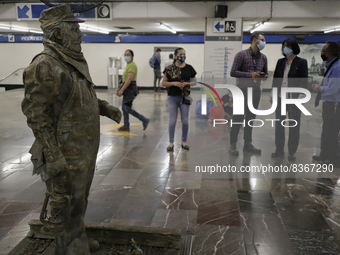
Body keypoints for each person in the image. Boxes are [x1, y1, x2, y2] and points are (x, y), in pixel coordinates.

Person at [21, 5, 122, 255]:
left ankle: (77, 237)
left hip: (82, 148)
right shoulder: (46, 65)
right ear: (57, 34)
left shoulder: (71, 62)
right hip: (65, 151)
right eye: (74, 29)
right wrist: (53, 155)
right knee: (66, 202)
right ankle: (70, 248)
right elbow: (36, 115)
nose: (80, 34)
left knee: (79, 200)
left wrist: (104, 107)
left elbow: (79, 98)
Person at [229, 33, 268, 156]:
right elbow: (233, 72)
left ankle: (248, 143)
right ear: (255, 40)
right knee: (238, 118)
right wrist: (250, 75)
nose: (264, 43)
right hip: (242, 90)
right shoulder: (241, 55)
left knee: (251, 118)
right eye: (262, 40)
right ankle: (233, 144)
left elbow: (266, 74)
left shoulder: (263, 58)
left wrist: (261, 76)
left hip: (256, 90)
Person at [270, 38, 308, 161]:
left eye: (287, 46)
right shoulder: (280, 62)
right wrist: (272, 94)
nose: (285, 48)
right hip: (281, 98)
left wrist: (301, 97)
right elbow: (276, 79)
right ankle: (279, 149)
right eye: (283, 46)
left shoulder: (301, 62)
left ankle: (292, 152)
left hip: (294, 99)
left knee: (293, 126)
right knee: (279, 124)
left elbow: (304, 80)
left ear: (293, 48)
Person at [162, 47, 196, 152]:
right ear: (175, 56)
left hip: (184, 97)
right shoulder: (169, 68)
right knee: (172, 121)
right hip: (172, 97)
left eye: (184, 54)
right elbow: (163, 83)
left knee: (185, 121)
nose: (182, 56)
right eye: (180, 54)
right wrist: (173, 83)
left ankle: (184, 141)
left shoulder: (189, 68)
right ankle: (171, 143)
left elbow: (194, 82)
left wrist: (186, 83)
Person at [312, 41, 340, 166]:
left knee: (332, 131)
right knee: (326, 129)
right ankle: (324, 154)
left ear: (330, 53)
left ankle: (334, 158)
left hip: (334, 104)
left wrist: (319, 88)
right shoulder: (331, 65)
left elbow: (333, 89)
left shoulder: (337, 67)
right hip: (328, 103)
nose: (322, 53)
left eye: (323, 50)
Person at [117, 49, 149, 132]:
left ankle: (144, 119)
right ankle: (126, 125)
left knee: (127, 108)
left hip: (130, 89)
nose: (126, 56)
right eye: (125, 55)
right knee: (124, 108)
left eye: (128, 55)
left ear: (132, 56)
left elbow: (129, 79)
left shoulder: (132, 65)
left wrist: (122, 90)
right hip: (127, 89)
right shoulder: (128, 65)